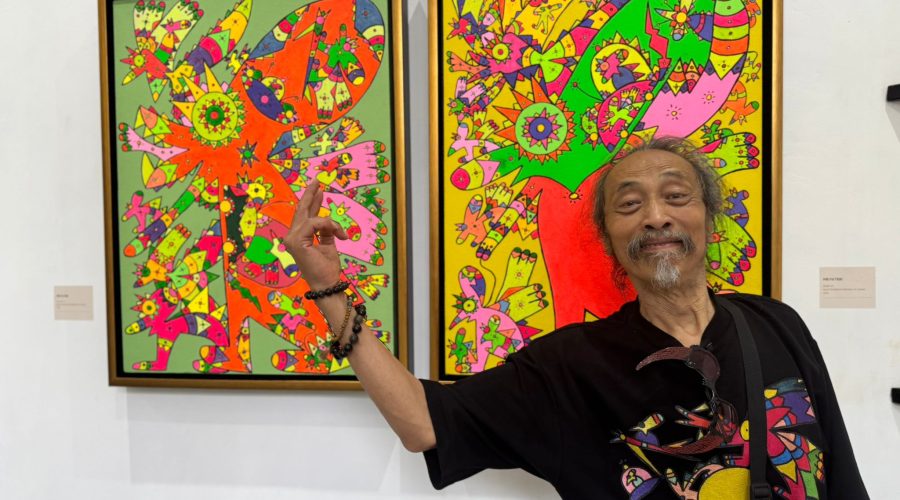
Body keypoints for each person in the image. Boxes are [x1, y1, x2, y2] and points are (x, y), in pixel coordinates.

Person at [284, 137, 868, 499]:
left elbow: (841, 473)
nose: (656, 217)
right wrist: (329, 288)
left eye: (676, 196)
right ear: (609, 238)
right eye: (630, 204)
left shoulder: (775, 324)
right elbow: (422, 424)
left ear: (708, 219)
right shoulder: (568, 365)